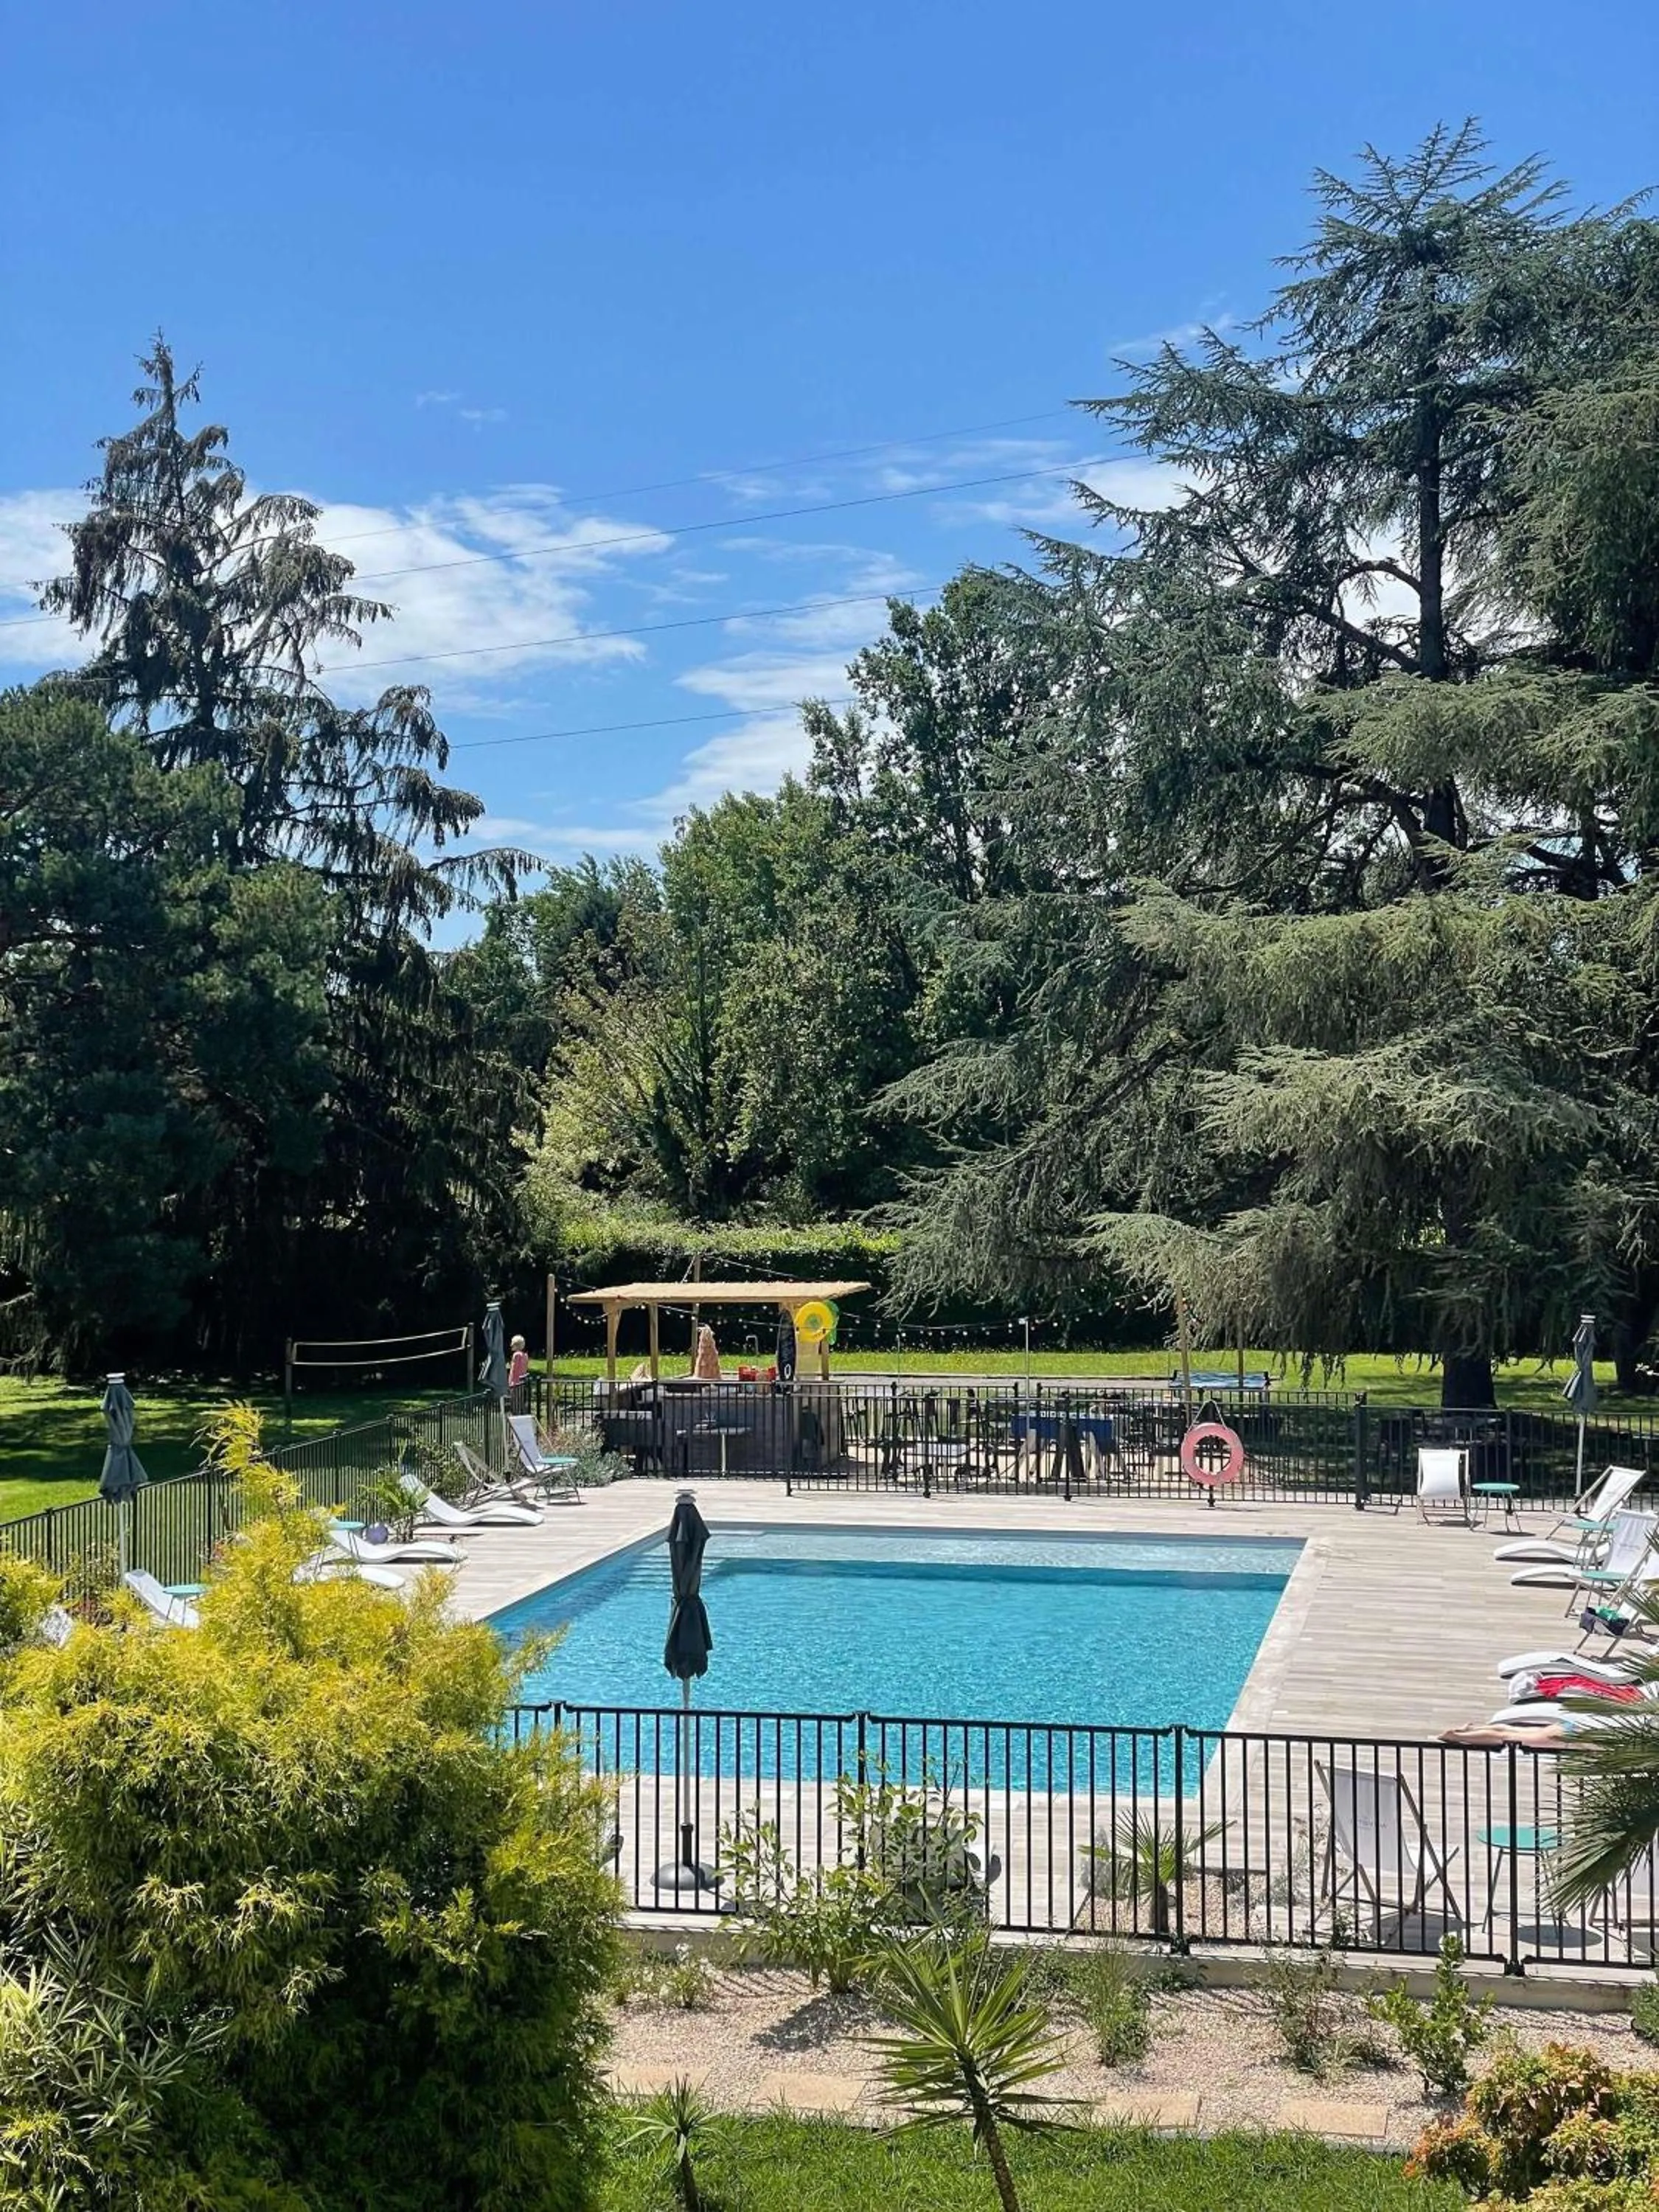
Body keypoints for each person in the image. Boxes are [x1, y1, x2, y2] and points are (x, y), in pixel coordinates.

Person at [507, 1333, 530, 1412]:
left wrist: (510, 1382)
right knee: (521, 1401)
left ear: (516, 1345)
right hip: (522, 1382)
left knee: (514, 1402)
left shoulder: (516, 1355)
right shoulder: (525, 1355)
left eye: (513, 1344)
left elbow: (514, 1370)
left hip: (515, 1382)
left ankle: (515, 1417)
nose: (511, 1346)